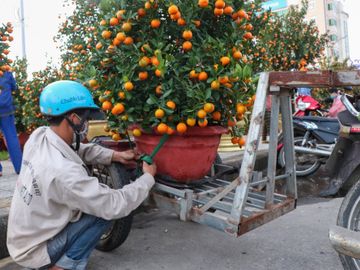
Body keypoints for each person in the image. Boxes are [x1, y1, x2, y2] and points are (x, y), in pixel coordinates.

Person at [6, 80, 157, 270]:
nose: (86, 124)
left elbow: (79, 149)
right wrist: (147, 178)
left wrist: (115, 155)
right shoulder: (64, 172)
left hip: (22, 239)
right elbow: (113, 205)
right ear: (74, 118)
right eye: (86, 119)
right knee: (102, 212)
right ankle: (64, 266)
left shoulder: (39, 136)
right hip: (36, 251)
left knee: (93, 203)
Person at [0, 71, 23, 176]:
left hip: (6, 110)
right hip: (6, 110)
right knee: (11, 138)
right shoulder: (6, 73)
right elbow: (14, 87)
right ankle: (19, 168)